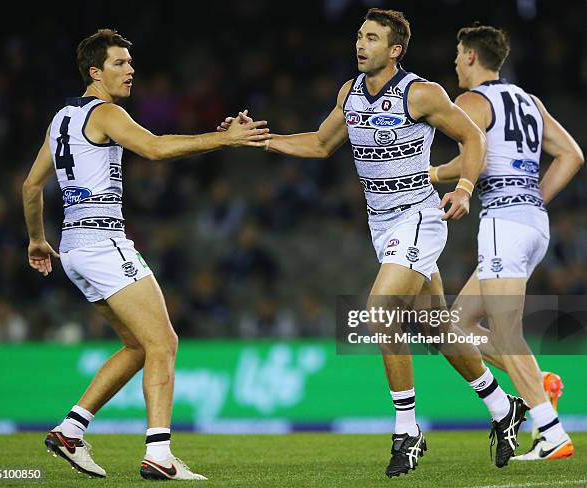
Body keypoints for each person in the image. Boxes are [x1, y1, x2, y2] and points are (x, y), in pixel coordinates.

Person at [219, 9, 527, 477]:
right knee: (436, 329)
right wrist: (260, 141)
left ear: (395, 49)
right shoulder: (351, 93)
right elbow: (321, 144)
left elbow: (473, 137)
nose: (360, 44)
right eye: (359, 36)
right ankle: (504, 407)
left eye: (372, 38)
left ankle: (407, 429)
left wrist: (463, 189)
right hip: (382, 225)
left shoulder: (421, 93)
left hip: (421, 216)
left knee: (381, 308)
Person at [22, 28, 271, 481]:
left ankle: (70, 432)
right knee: (165, 343)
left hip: (75, 248)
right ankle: (159, 453)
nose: (130, 70)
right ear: (95, 72)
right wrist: (225, 140)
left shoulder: (61, 119)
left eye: (130, 63)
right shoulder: (106, 112)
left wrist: (37, 239)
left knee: (138, 347)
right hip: (102, 240)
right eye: (119, 63)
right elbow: (155, 149)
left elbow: (31, 186)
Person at [431, 24, 583, 461]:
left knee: (504, 331)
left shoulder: (471, 101)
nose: (456, 62)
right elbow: (572, 154)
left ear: (474, 57)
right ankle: (541, 381)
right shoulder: (529, 101)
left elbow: (472, 154)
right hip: (534, 223)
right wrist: (533, 198)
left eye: (460, 54)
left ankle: (551, 431)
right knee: (454, 327)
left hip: (503, 221)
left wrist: (436, 175)